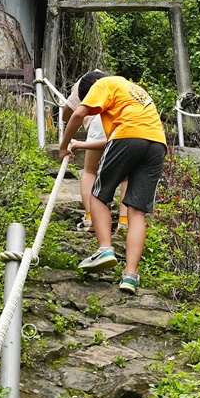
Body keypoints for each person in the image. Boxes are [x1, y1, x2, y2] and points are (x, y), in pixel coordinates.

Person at [57, 69, 167, 294]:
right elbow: (112, 141)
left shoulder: (102, 82)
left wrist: (63, 146)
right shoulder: (132, 90)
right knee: (137, 212)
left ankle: (105, 249)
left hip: (127, 136)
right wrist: (80, 146)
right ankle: (130, 275)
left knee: (97, 196)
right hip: (156, 143)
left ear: (94, 84)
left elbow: (77, 115)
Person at [64, 79, 119, 233]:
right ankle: (124, 221)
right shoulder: (118, 83)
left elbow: (66, 114)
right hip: (126, 121)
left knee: (90, 171)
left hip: (100, 120)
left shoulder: (83, 83)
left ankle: (91, 218)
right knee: (127, 177)